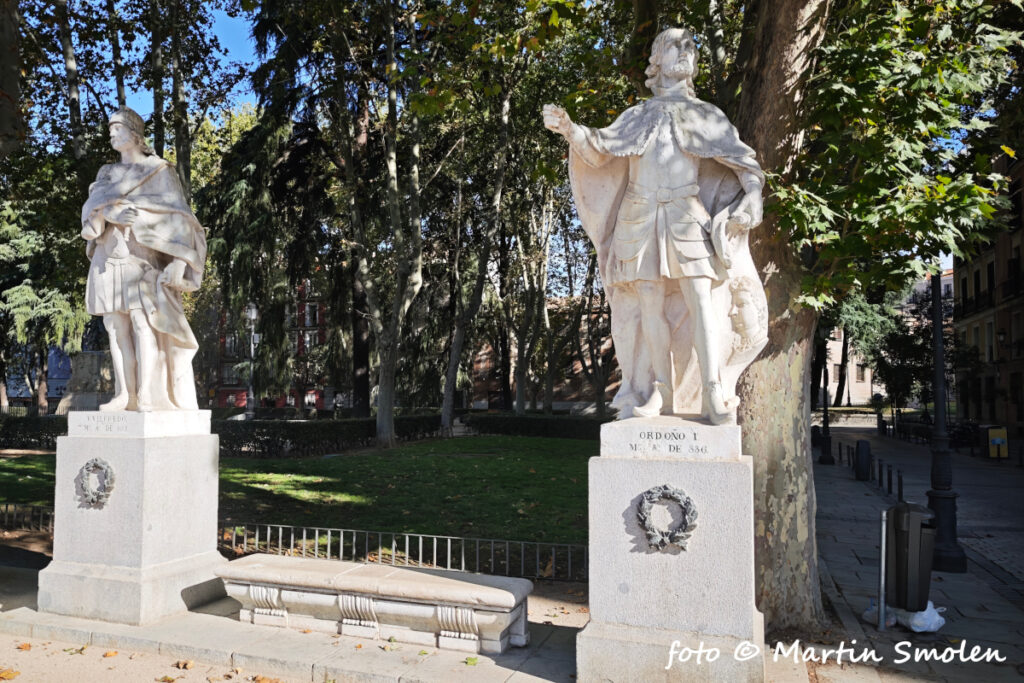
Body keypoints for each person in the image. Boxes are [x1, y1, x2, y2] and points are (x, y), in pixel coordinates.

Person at [543, 27, 767, 424]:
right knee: (649, 305)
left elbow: (747, 166)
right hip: (639, 217)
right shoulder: (637, 116)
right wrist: (570, 130)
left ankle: (713, 391)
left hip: (686, 215)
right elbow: (598, 151)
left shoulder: (707, 116)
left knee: (701, 302)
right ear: (656, 59)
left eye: (690, 47)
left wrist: (752, 196)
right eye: (673, 46)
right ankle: (657, 391)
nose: (684, 52)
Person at [81, 107, 206, 411]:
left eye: (118, 128)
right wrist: (110, 213)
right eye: (110, 129)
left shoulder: (158, 170)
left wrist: (179, 262)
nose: (111, 133)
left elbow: (181, 218)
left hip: (142, 261)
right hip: (108, 258)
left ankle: (147, 394)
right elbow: (90, 211)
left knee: (143, 324)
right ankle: (125, 395)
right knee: (115, 329)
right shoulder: (107, 173)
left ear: (135, 132)